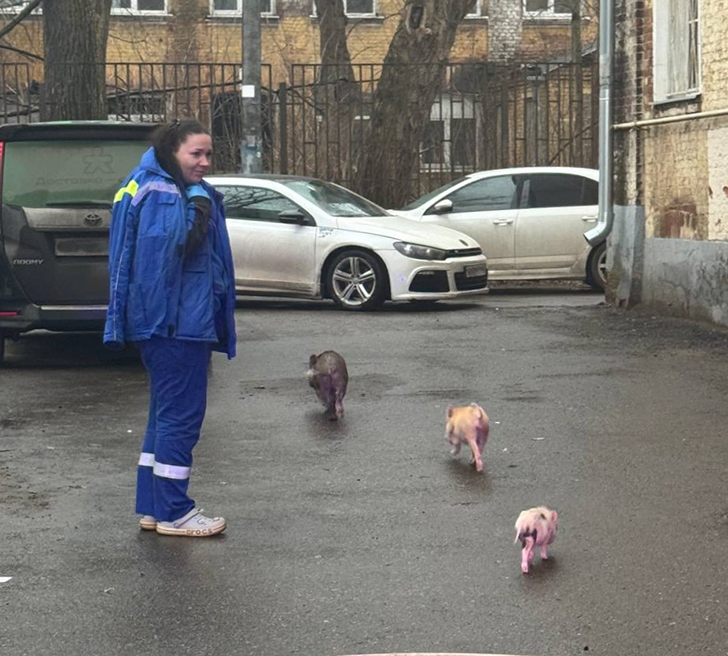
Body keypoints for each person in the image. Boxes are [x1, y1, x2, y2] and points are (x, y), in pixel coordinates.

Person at [104, 119, 236, 537]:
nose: (205, 162)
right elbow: (175, 248)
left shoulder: (146, 183)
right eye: (195, 154)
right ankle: (175, 511)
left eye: (209, 154)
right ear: (171, 152)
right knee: (181, 416)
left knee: (163, 416)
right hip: (176, 325)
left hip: (163, 323)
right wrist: (199, 205)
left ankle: (154, 507)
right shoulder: (165, 192)